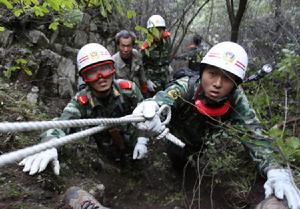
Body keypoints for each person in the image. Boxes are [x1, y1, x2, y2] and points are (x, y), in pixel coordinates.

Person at [132, 41, 300, 209]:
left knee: (194, 163)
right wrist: (152, 107)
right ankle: (178, 178)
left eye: (227, 78)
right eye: (212, 73)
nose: (218, 83)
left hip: (201, 143)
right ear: (202, 71)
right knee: (177, 161)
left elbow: (253, 134)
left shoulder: (236, 100)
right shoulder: (186, 86)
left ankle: (191, 179)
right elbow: (165, 97)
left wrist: (274, 169)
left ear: (235, 84)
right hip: (176, 138)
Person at [18, 43, 149, 176]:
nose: (101, 77)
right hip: (106, 147)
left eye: (105, 69)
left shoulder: (129, 89)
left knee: (140, 163)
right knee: (116, 166)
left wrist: (142, 139)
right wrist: (49, 145)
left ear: (112, 69)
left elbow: (146, 114)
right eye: (92, 72)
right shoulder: (81, 101)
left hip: (132, 138)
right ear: (85, 78)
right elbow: (61, 124)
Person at [140, 14, 173, 95]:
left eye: (160, 30)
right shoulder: (146, 47)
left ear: (163, 30)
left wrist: (168, 66)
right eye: (154, 30)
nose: (157, 33)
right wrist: (147, 81)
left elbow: (167, 55)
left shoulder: (167, 40)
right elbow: (141, 67)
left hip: (165, 79)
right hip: (153, 81)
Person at [112, 30, 149, 96]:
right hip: (122, 96)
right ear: (118, 46)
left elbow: (141, 74)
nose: (125, 49)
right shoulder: (113, 62)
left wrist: (145, 91)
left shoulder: (136, 54)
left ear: (132, 46)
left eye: (128, 46)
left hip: (138, 93)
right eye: (123, 46)